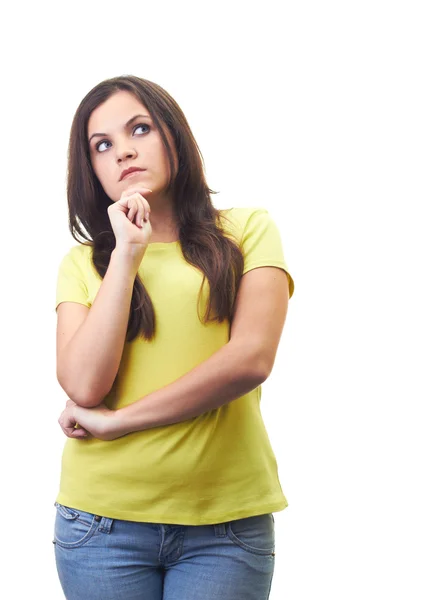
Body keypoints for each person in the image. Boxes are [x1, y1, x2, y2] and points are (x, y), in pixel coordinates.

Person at [53, 75, 295, 600]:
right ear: (91, 167)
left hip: (227, 528)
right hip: (101, 528)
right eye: (102, 145)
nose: (123, 152)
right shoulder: (84, 264)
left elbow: (251, 359)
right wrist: (126, 255)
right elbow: (83, 385)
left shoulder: (248, 230)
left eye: (139, 128)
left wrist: (120, 423)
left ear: (173, 136)